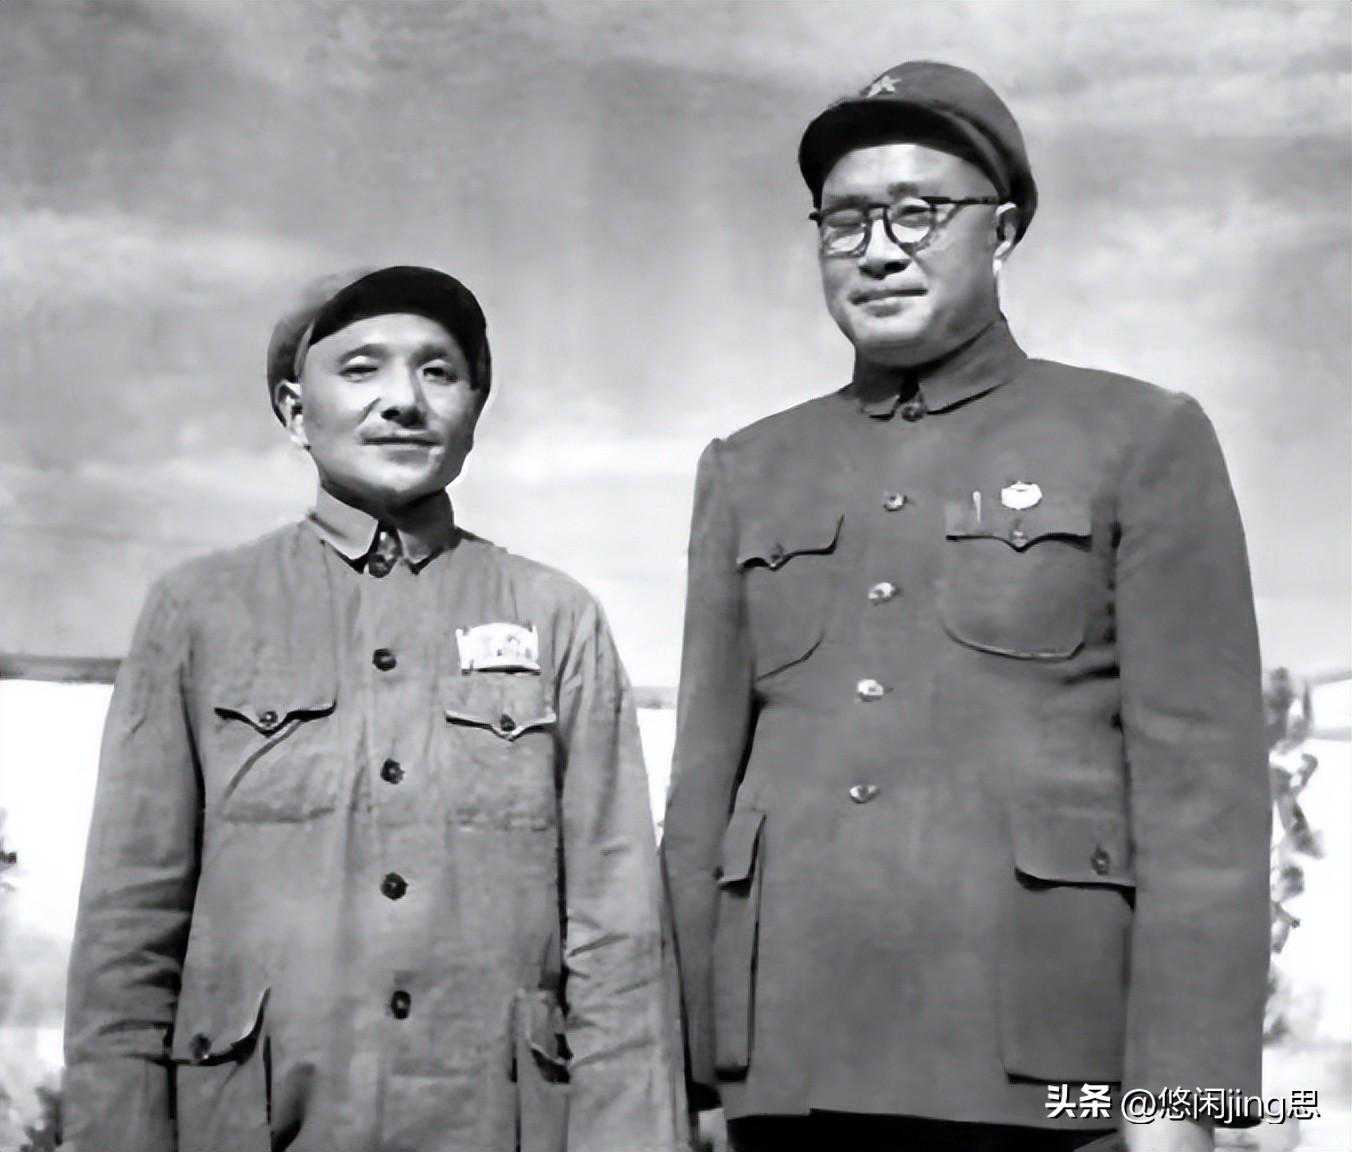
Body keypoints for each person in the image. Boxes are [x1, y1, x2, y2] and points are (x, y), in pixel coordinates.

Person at [661, 62, 1270, 1152]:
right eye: (845, 220)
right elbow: (701, 791)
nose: (878, 249)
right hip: (784, 1074)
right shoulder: (748, 467)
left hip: (1047, 1077)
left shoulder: (1138, 437)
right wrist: (686, 1071)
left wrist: (1183, 1100)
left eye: (918, 211)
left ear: (1002, 231)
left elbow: (1203, 800)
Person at [63, 266, 682, 1152]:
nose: (403, 400)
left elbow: (618, 941)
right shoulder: (197, 612)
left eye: (439, 371)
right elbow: (128, 935)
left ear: (475, 408)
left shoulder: (558, 618)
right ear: (293, 409)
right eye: (361, 369)